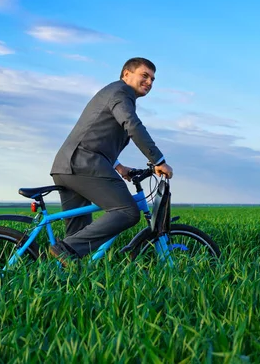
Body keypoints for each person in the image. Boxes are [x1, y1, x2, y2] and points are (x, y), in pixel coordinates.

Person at [49, 57, 173, 262]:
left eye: (152, 79)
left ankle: (61, 280)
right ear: (126, 74)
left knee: (77, 238)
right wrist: (158, 160)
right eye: (145, 75)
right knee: (127, 212)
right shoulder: (120, 92)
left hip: (68, 166)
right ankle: (65, 248)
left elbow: (96, 135)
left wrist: (118, 166)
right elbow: (132, 126)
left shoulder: (116, 94)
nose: (149, 82)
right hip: (83, 164)